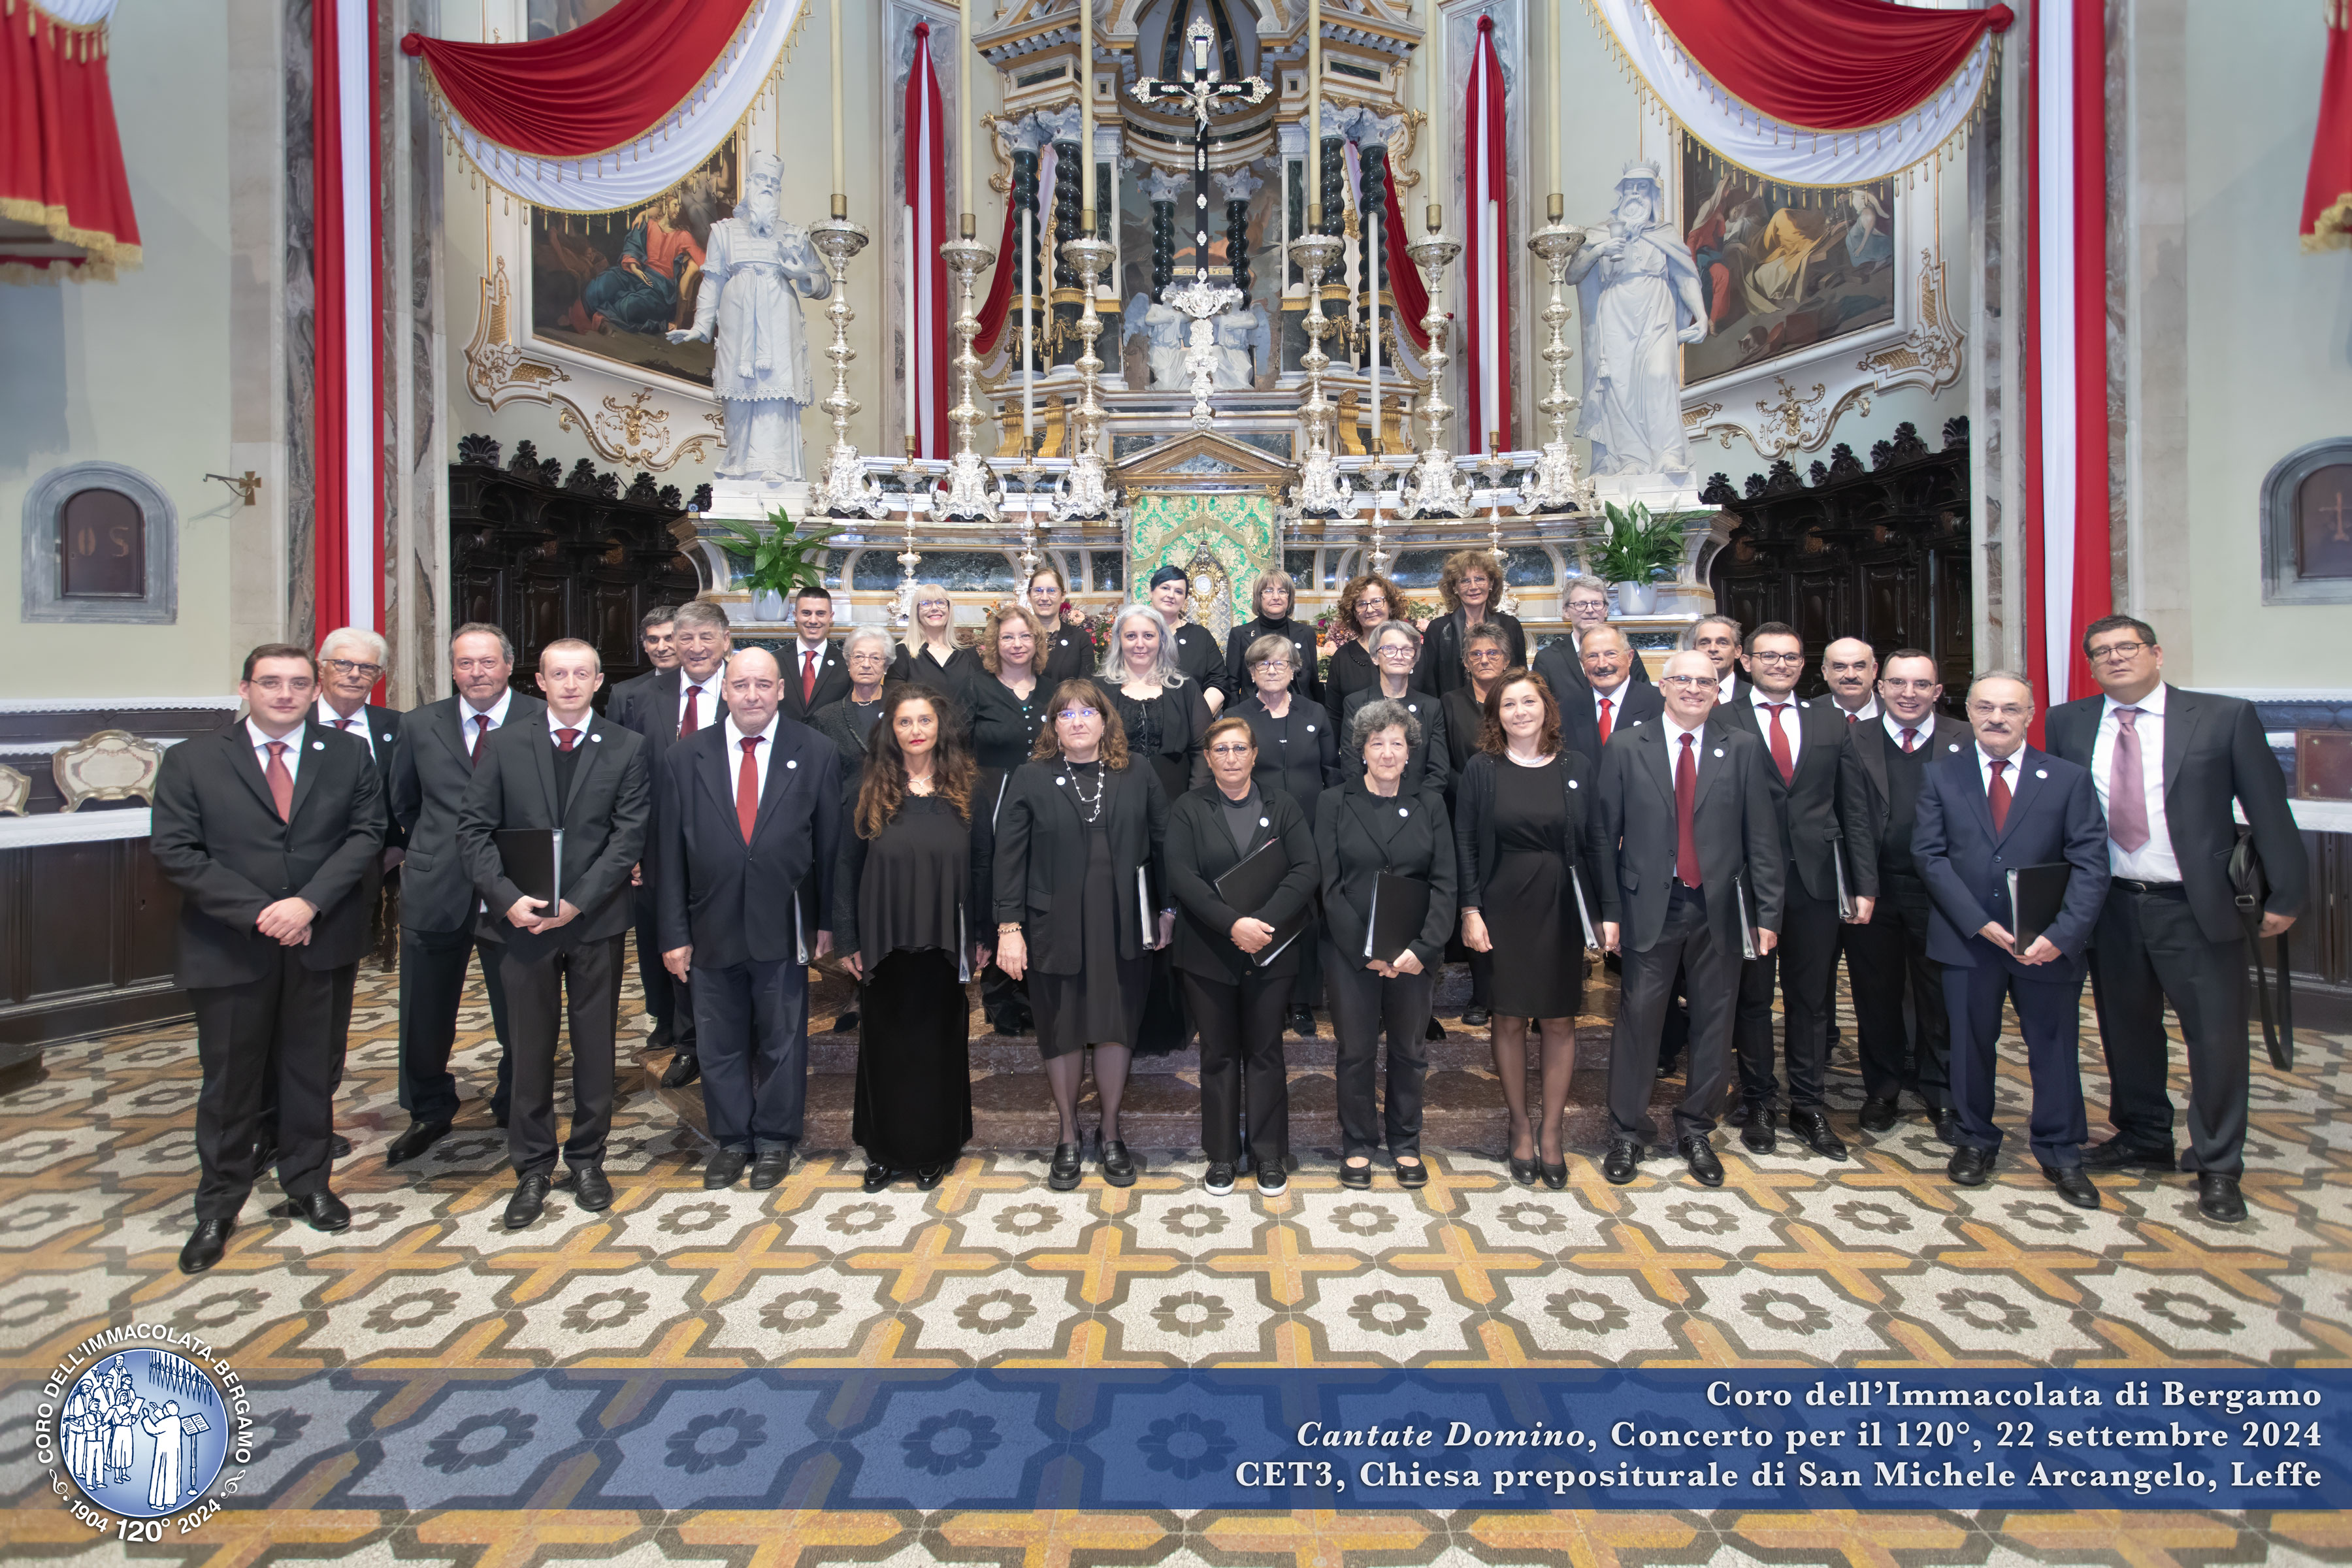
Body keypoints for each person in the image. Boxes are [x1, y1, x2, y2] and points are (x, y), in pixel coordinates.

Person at [2046, 615, 2307, 1222]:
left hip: (2196, 906)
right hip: (2108, 905)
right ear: (2090, 666)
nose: (2115, 658)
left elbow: (2269, 809)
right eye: (2102, 652)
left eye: (2127, 648)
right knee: (2126, 1029)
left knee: (2214, 1038)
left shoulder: (2222, 718)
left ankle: (2218, 1163)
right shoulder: (2069, 723)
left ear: (2156, 653)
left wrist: (2289, 894)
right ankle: (2143, 1134)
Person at [150, 644, 385, 1273]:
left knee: (310, 1070)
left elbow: (366, 834)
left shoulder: (346, 754)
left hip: (319, 938)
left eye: (298, 683)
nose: (285, 693)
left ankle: (309, 1182)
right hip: (230, 945)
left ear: (316, 690)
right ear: (245, 688)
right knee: (230, 1079)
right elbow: (176, 850)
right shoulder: (192, 760)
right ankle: (218, 1203)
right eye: (271, 682)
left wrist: (307, 904)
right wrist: (263, 912)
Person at [456, 638, 651, 1229]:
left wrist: (579, 902)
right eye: (558, 674)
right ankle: (534, 1165)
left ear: (599, 683)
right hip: (521, 923)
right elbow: (473, 831)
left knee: (596, 1047)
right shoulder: (506, 744)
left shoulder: (626, 747)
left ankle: (589, 1158)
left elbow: (628, 836)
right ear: (538, 682)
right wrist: (508, 900)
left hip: (594, 923)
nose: (570, 684)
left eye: (581, 674)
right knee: (529, 1047)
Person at [1914, 671, 2111, 1207]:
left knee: (2053, 1048)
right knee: (1970, 1046)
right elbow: (1929, 858)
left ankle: (2060, 1149)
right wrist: (1977, 921)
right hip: (1969, 939)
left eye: (2009, 709)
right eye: (1984, 707)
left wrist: (2063, 934)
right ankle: (1976, 1139)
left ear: (2030, 715)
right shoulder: (1941, 776)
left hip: (2046, 944)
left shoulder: (2067, 778)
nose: (1996, 718)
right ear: (1969, 712)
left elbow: (2091, 863)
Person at [1592, 649, 1784, 1188]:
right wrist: (1608, 911)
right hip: (1647, 906)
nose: (1694, 689)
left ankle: (1696, 1129)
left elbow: (1762, 838)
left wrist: (1767, 913)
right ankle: (1627, 1134)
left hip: (1721, 909)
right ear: (1663, 684)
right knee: (1638, 1021)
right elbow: (1604, 836)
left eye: (1706, 681)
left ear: (1719, 690)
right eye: (1684, 679)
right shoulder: (1628, 745)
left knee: (1714, 1023)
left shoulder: (1743, 748)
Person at [656, 646, 842, 1189]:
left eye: (764, 685)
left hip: (782, 924)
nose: (753, 695)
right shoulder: (685, 756)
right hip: (707, 925)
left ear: (781, 689)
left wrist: (827, 922)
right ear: (725, 689)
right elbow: (667, 854)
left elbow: (829, 848)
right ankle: (733, 1139)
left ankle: (776, 1140)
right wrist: (672, 932)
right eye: (742, 686)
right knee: (719, 1040)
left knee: (784, 1038)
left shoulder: (816, 751)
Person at [992, 679, 1172, 1189]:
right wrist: (1009, 928)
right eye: (1065, 715)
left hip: (1123, 923)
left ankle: (1110, 1132)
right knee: (1062, 1027)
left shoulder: (1138, 772)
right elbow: (1008, 859)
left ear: (1105, 720)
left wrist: (1168, 910)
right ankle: (1069, 1133)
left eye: (1087, 712)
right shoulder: (1030, 777)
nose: (1077, 722)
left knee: (1117, 1026)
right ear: (1053, 727)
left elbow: (1164, 843)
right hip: (1053, 927)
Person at [386, 624, 540, 1162]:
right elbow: (403, 804)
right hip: (436, 888)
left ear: (509, 666)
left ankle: (514, 1101)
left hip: (513, 891)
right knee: (424, 1014)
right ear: (452, 669)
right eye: (466, 663)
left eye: (488, 662)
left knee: (520, 1012)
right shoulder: (417, 725)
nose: (477, 672)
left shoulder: (539, 719)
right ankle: (427, 1109)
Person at [1723, 622, 1871, 1161]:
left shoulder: (1832, 720)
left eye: (1790, 656)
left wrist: (1863, 883)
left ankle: (1809, 1105)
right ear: (1745, 661)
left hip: (1816, 883)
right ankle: (1760, 1099)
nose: (1780, 664)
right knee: (1754, 998)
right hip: (1748, 885)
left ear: (1803, 664)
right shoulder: (1723, 717)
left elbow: (1852, 809)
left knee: (1813, 1000)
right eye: (1768, 656)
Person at [836, 684, 992, 1192]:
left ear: (939, 728)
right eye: (905, 722)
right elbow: (845, 867)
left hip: (947, 938)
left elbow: (985, 866)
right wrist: (847, 939)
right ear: (891, 730)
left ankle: (935, 1148)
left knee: (939, 1045)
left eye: (924, 721)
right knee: (884, 1046)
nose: (916, 731)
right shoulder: (866, 787)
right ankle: (883, 1149)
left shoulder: (969, 788)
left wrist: (985, 933)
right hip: (883, 939)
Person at [1456, 671, 1607, 1188]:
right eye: (1509, 705)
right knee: (1510, 1018)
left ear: (1547, 707)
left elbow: (1597, 843)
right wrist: (1470, 910)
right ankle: (1521, 1127)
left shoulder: (1577, 766)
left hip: (1562, 904)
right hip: (1501, 906)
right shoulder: (1482, 769)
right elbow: (1466, 845)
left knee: (1561, 1019)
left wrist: (1607, 912)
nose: (1521, 711)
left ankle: (1552, 1132)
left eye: (1529, 701)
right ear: (1495, 716)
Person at [1165, 716, 1320, 1196]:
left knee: (1267, 1053)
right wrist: (1233, 924)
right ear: (1208, 758)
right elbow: (1182, 876)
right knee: (1216, 1056)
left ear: (1255, 754)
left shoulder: (1284, 804)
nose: (1231, 758)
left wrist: (1263, 925)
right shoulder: (1189, 808)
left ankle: (1269, 1153)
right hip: (1208, 951)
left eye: (1239, 748)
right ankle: (1222, 1155)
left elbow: (1306, 868)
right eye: (1221, 750)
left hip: (1271, 951)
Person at [1321, 700, 1458, 1189]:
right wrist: (1366, 950)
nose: (1385, 751)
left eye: (1395, 743)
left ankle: (1405, 1142)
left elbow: (1445, 883)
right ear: (1362, 751)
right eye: (1376, 743)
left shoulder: (1431, 804)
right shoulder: (1334, 802)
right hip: (1351, 953)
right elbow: (1329, 886)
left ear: (1410, 752)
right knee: (1355, 1051)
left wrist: (1422, 949)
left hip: (1414, 954)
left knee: (1409, 1051)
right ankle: (1358, 1144)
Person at [1841, 649, 1971, 1141]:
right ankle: (1883, 1090)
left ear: (1938, 692)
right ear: (1880, 687)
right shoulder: (1854, 738)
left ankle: (1942, 1091)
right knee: (1876, 996)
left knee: (1941, 995)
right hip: (1873, 891)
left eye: (1920, 685)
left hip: (1943, 893)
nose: (1908, 693)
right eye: (1897, 683)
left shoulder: (1966, 738)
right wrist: (1857, 885)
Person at [609, 599, 733, 1087]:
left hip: (734, 842)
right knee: (675, 945)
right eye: (687, 638)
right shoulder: (639, 696)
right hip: (663, 843)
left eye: (707, 637)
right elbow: (622, 779)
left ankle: (735, 1035)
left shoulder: (748, 687)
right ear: (673, 643)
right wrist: (631, 847)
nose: (696, 647)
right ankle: (688, 1043)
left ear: (726, 641)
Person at [314, 624, 404, 1156]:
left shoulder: (394, 727)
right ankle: (265, 1126)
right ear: (321, 668)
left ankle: (311, 1124)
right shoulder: (287, 724)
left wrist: (391, 853)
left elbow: (407, 798)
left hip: (364, 885)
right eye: (344, 665)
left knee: (330, 1015)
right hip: (287, 897)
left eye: (366, 668)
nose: (354, 676)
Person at [1231, 631, 1339, 1037]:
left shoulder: (1315, 713)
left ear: (1296, 669)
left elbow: (1333, 773)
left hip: (1311, 828)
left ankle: (1302, 1003)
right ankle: (1266, 996)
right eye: (1262, 664)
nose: (1272, 670)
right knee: (1265, 910)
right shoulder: (1238, 715)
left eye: (1280, 663)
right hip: (1259, 831)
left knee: (1307, 916)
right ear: (1252, 672)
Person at [965, 602, 1053, 1036]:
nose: (1016, 645)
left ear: (1036, 642)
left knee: (1039, 889)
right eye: (1007, 637)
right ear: (994, 644)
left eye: (1024, 637)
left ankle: (1038, 991)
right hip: (992, 801)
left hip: (1046, 803)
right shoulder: (976, 688)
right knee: (997, 888)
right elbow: (958, 748)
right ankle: (1000, 994)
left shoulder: (1054, 689)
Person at [1439, 625, 1513, 1028]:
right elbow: (1443, 761)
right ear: (1466, 662)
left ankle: (1519, 991)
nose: (1484, 660)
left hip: (1520, 815)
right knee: (1475, 902)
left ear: (1507, 659)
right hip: (1466, 815)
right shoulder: (1450, 703)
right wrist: (1475, 792)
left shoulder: (1519, 699)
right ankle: (1483, 995)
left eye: (1493, 653)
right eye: (1476, 654)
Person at [1340, 621, 1450, 796]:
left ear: (1414, 660)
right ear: (1375, 657)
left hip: (1419, 807)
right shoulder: (1356, 703)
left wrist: (1420, 806)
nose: (1399, 656)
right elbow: (1351, 764)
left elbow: (1439, 771)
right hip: (1368, 806)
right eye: (1390, 649)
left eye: (1407, 650)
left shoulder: (1431, 706)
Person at [1417, 548, 1527, 698]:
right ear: (1455, 588)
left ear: (1491, 583)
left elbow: (1521, 677)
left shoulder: (1510, 626)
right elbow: (1430, 683)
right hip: (1452, 714)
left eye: (1480, 579)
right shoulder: (1438, 629)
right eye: (1465, 581)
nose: (1473, 587)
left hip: (1502, 710)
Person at [1554, 623, 1664, 770]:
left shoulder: (1660, 703)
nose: (1602, 664)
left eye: (1611, 654)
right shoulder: (1567, 708)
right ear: (1582, 663)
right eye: (1592, 656)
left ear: (1630, 657)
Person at [1537, 579, 1654, 697]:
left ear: (1606, 610)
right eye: (1581, 604)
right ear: (1566, 611)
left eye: (1596, 604)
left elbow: (1646, 699)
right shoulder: (1547, 660)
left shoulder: (1625, 654)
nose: (1590, 610)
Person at [1223, 568, 1323, 706]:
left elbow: (1313, 682)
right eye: (1269, 591)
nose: (1276, 597)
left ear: (1289, 597)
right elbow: (1232, 685)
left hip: (1300, 712)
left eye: (1282, 591)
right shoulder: (1240, 634)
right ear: (1259, 597)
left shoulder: (1306, 633)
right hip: (1253, 713)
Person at [1323, 572, 1406, 732]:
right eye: (1361, 604)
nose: (1370, 609)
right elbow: (1334, 714)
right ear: (1354, 612)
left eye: (1377, 601)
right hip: (1355, 748)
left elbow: (1427, 704)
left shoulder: (1410, 651)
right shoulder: (1343, 657)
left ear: (1391, 606)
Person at [1145, 564, 1230, 712]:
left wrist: (1199, 717)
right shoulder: (1135, 634)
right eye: (1165, 588)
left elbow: (1218, 681)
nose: (1171, 595)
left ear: (1185, 600)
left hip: (1190, 723)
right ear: (1151, 592)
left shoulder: (1200, 636)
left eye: (1178, 592)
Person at [810, 626, 896, 764]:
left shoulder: (902, 710)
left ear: (886, 666)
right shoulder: (826, 718)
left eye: (875, 658)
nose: (866, 664)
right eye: (859, 657)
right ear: (848, 663)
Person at [781, 585, 851, 721]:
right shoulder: (775, 661)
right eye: (806, 613)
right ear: (795, 616)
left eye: (820, 614)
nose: (813, 621)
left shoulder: (846, 664)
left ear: (831, 617)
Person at [889, 583, 971, 690]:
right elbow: (894, 701)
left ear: (949, 609)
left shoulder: (969, 653)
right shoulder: (901, 654)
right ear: (916, 611)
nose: (934, 608)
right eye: (926, 603)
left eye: (941, 602)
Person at [1028, 563, 1097, 684]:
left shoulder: (1080, 639)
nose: (1044, 597)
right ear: (1029, 596)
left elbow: (1085, 687)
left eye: (1051, 591)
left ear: (1063, 596)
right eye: (1038, 591)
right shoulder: (1018, 639)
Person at [1682, 613, 1745, 707]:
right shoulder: (1680, 696)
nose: (1713, 649)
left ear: (1737, 651)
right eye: (1704, 643)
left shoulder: (1755, 696)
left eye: (1723, 643)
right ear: (1695, 650)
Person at [1821, 636, 1881, 725]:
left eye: (1859, 666)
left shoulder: (1893, 711)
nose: (1850, 676)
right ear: (1825, 672)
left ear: (1874, 670)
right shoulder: (1808, 715)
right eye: (1840, 667)